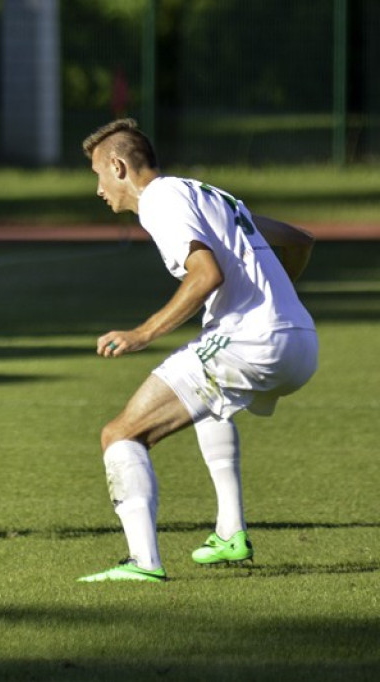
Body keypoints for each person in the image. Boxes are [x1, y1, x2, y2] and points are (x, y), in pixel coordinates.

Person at [76, 119, 318, 582]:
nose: (98, 187)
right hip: (301, 340)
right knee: (213, 406)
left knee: (120, 434)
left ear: (118, 166)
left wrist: (142, 333)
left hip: (252, 340)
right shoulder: (209, 194)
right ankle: (231, 532)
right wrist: (277, 304)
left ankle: (142, 563)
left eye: (97, 174)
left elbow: (205, 274)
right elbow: (298, 239)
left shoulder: (161, 201)